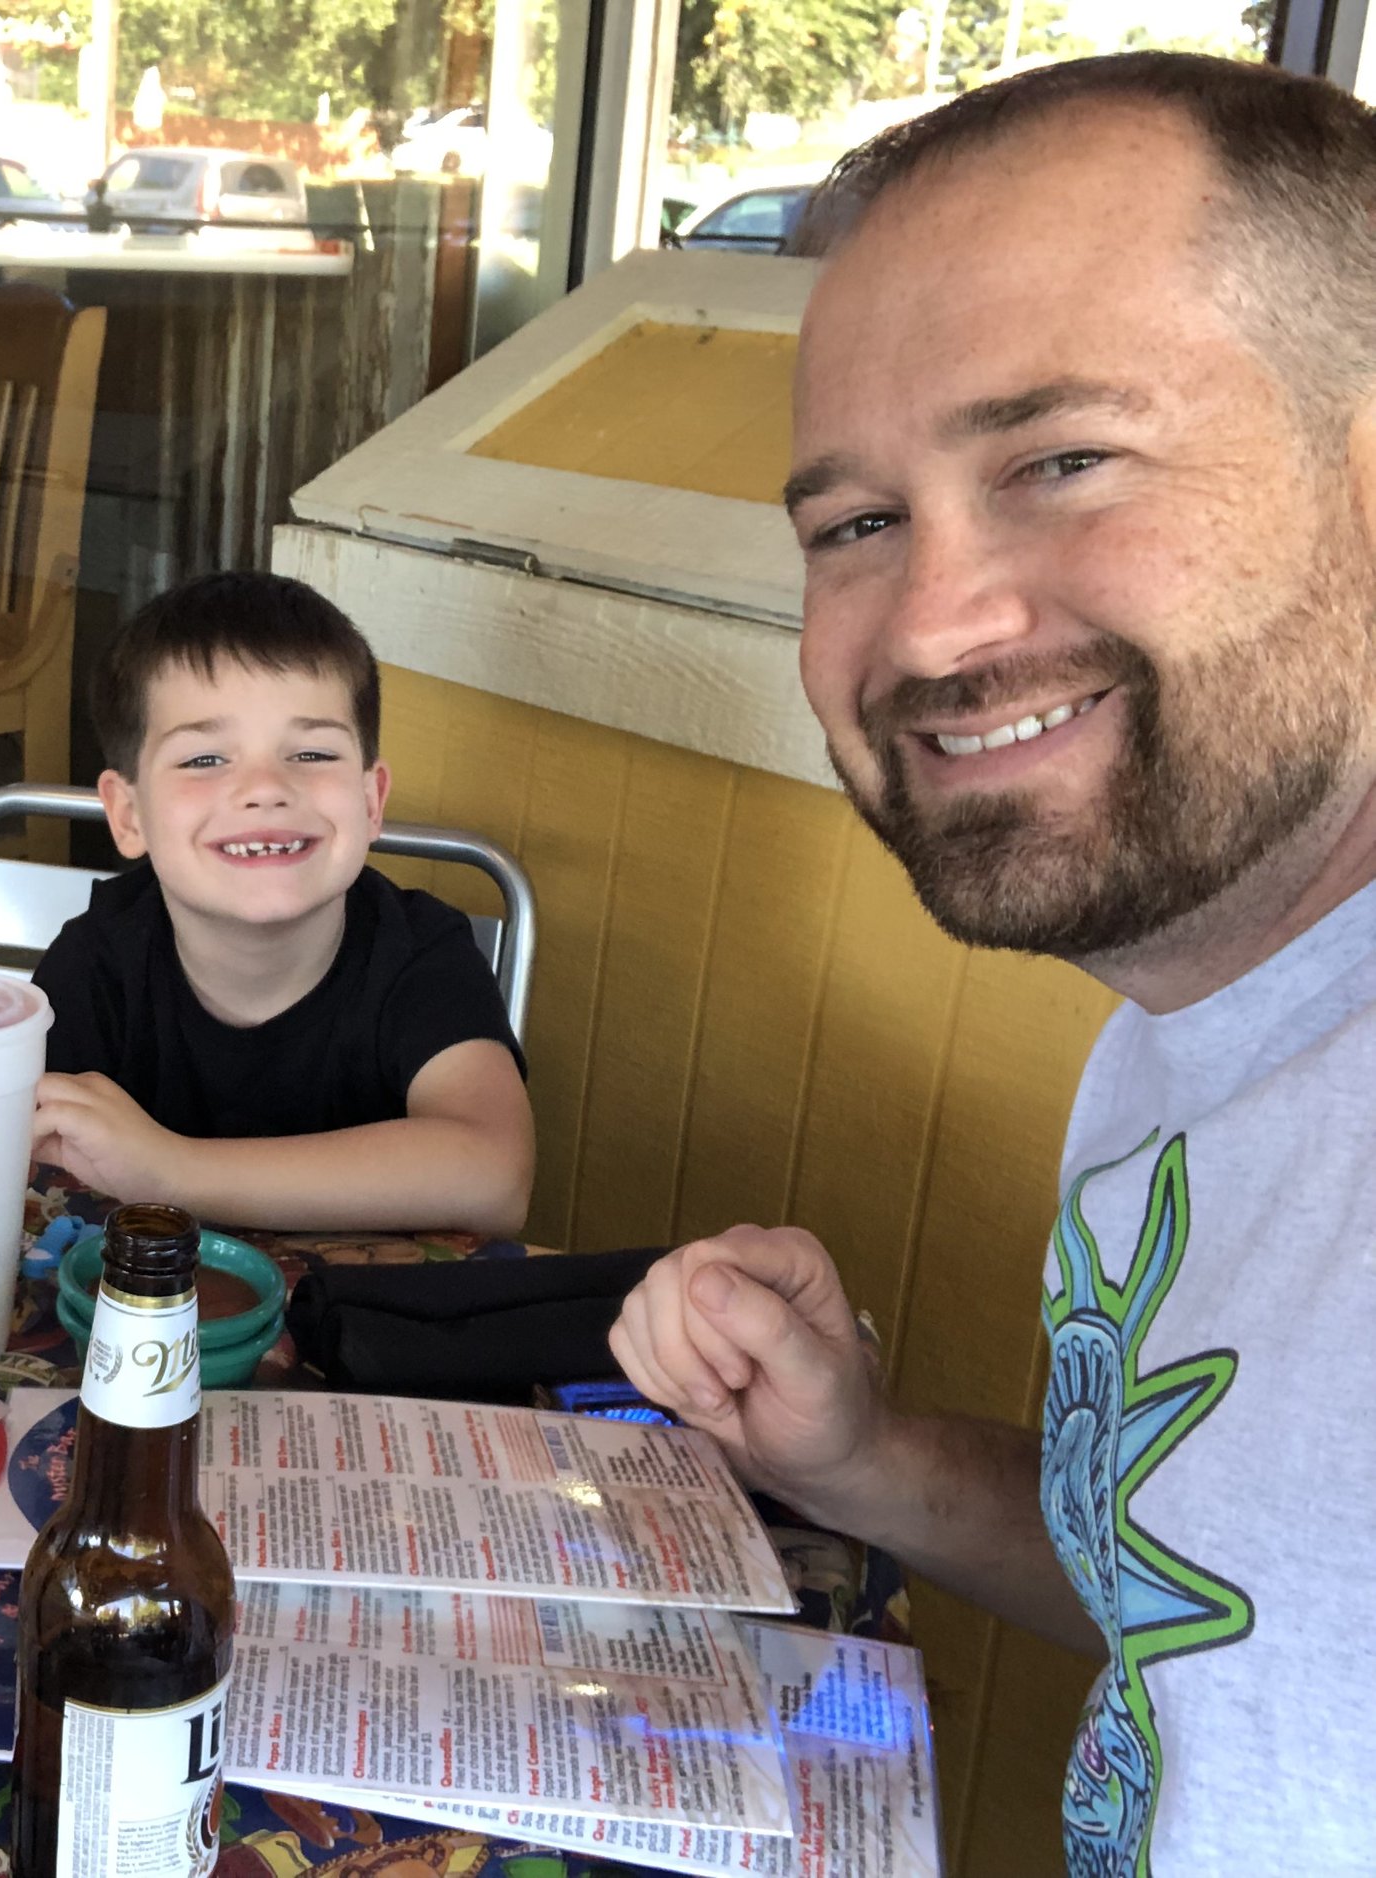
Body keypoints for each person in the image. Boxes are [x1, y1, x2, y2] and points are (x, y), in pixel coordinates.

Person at [606, 53, 1376, 1871]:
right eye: (856, 524)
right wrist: (858, 1457)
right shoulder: (1198, 1012)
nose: (935, 622)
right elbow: (1219, 1578)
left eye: (1064, 459)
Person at [30, 572, 533, 1235]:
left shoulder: (421, 955)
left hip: (365, 1324)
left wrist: (170, 1170)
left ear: (371, 801)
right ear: (128, 815)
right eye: (205, 759)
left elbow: (495, 1177)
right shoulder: (95, 961)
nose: (266, 788)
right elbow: (23, 1161)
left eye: (312, 752)